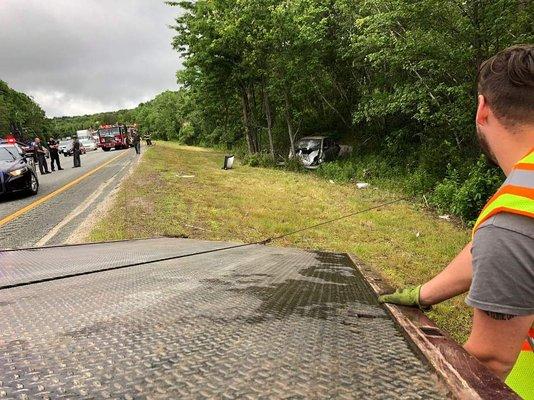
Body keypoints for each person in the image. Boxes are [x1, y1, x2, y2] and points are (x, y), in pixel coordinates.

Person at [380, 44, 534, 382]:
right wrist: (424, 293)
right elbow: (513, 251)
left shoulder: (513, 218)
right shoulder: (517, 214)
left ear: (482, 109)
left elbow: (490, 361)